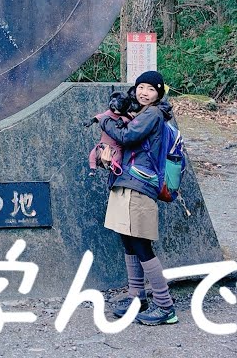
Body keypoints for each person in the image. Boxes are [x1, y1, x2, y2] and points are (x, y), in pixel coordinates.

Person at [93, 70, 178, 326]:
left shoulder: (153, 114)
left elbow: (126, 136)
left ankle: (165, 307)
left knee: (141, 245)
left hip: (139, 185)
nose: (144, 92)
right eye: (141, 87)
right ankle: (136, 296)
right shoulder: (140, 112)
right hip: (127, 182)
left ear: (159, 94)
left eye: (151, 89)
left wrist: (105, 120)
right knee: (128, 242)